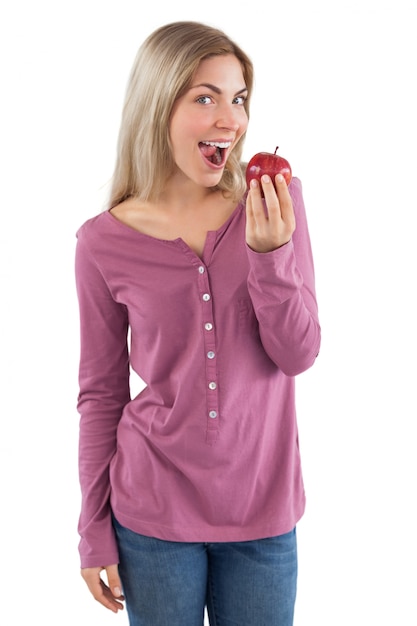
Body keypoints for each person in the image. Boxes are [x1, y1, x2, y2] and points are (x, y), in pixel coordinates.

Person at [75, 20, 321, 626]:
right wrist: (92, 529)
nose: (229, 120)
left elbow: (298, 353)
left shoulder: (275, 203)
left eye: (237, 99)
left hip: (263, 514)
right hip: (150, 516)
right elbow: (102, 395)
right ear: (159, 104)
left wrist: (269, 255)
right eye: (204, 97)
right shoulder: (102, 242)